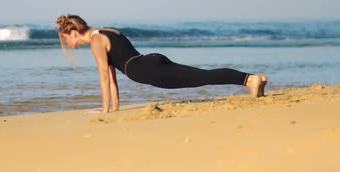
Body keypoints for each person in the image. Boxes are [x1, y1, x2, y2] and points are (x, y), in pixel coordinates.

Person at [56, 14, 268, 114]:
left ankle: (250, 79)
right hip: (149, 61)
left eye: (67, 39)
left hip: (146, 70)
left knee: (201, 77)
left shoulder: (95, 42)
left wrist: (104, 111)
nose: (68, 43)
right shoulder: (105, 31)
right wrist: (113, 108)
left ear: (73, 32)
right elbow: (112, 76)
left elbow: (104, 77)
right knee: (202, 75)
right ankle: (251, 79)